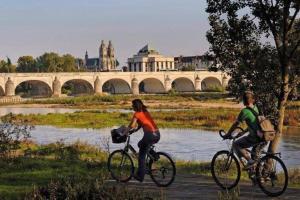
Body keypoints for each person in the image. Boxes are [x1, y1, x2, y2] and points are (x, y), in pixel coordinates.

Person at [224, 91, 267, 168]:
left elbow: (236, 124)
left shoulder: (244, 112)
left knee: (236, 144)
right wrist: (243, 132)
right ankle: (258, 175)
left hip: (254, 138)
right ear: (253, 100)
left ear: (243, 101)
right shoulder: (256, 108)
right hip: (263, 136)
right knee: (255, 158)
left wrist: (228, 134)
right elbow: (254, 125)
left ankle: (249, 161)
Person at [124, 99, 160, 182]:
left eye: (132, 105)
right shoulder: (145, 112)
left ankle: (140, 176)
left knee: (141, 157)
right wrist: (134, 131)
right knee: (140, 144)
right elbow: (141, 124)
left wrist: (125, 132)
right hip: (157, 134)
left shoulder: (137, 114)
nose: (132, 107)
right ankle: (154, 155)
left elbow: (132, 125)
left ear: (135, 106)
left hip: (149, 135)